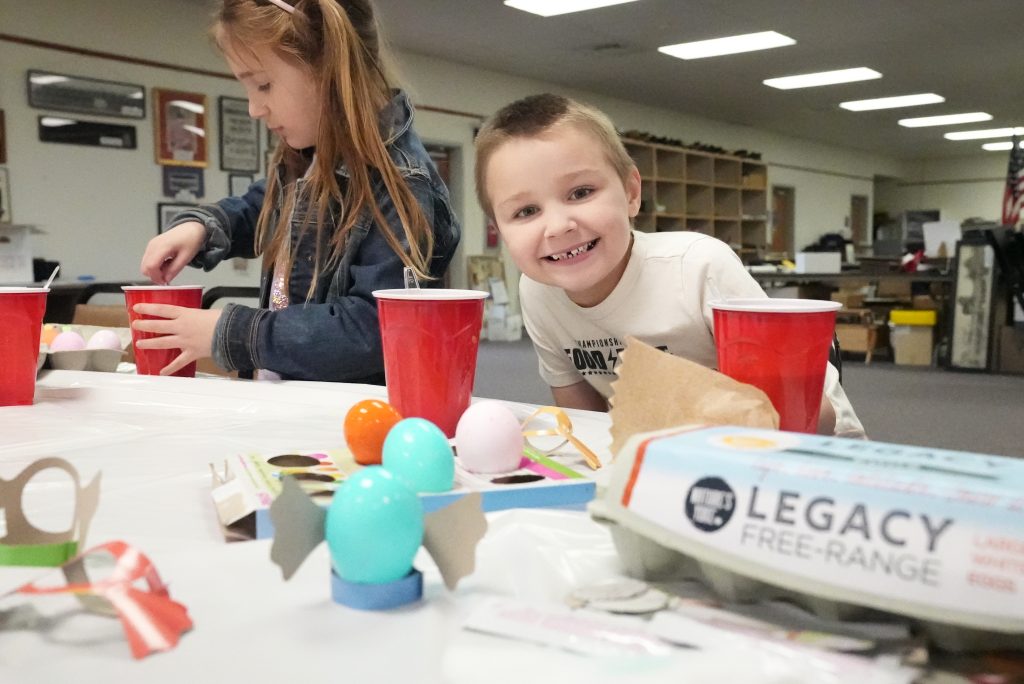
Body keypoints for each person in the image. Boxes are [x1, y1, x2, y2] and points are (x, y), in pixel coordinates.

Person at [475, 93, 863, 437]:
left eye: (581, 192)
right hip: (675, 456)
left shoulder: (698, 267)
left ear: (630, 193)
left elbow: (809, 418)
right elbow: (584, 422)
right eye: (526, 211)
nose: (559, 227)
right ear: (499, 229)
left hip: (812, 450)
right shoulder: (538, 292)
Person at [136, 0, 459, 382]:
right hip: (290, 401)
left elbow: (373, 330)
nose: (255, 109)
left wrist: (235, 332)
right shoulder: (309, 155)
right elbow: (264, 207)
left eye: (264, 85)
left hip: (346, 423)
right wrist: (203, 226)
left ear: (331, 67)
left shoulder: (403, 181)